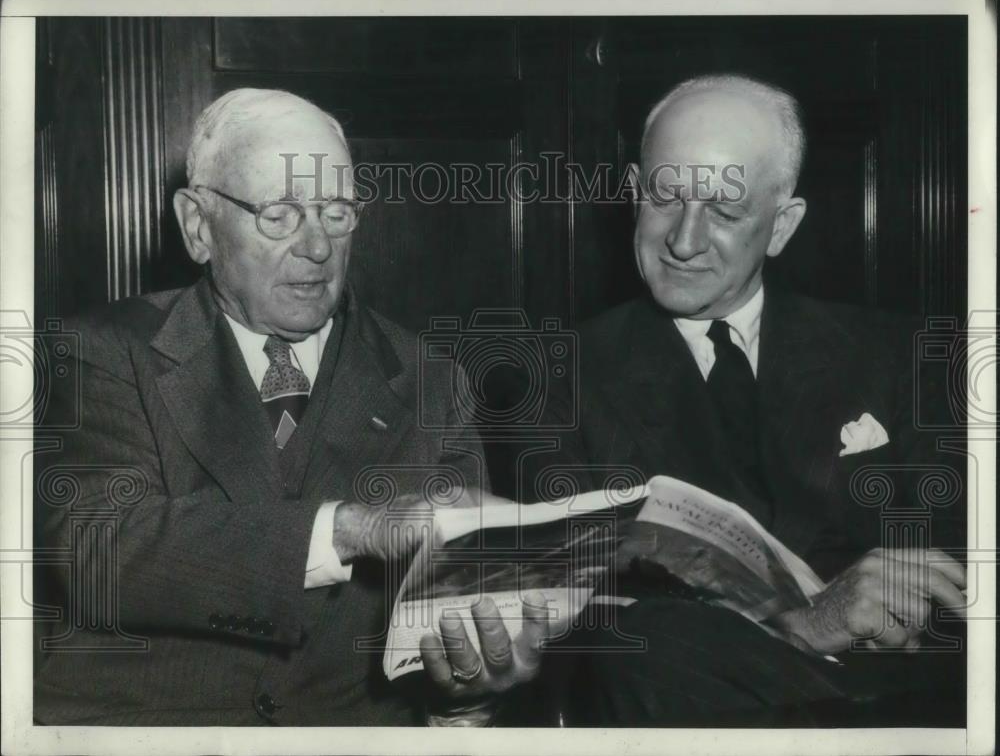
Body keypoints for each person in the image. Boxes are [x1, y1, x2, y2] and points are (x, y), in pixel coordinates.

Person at [33, 88, 548, 726]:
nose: (317, 247)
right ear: (198, 226)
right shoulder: (102, 353)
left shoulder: (432, 381)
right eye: (280, 213)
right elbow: (99, 550)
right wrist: (352, 528)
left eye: (336, 212)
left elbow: (458, 629)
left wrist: (474, 689)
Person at [527, 74, 968, 726]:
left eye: (725, 212)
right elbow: (583, 625)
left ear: (782, 226)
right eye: (664, 197)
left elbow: (958, 564)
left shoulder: (901, 353)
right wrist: (799, 626)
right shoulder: (553, 377)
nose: (682, 240)